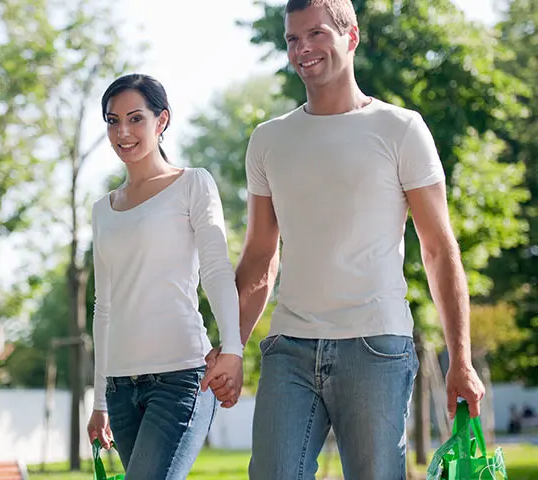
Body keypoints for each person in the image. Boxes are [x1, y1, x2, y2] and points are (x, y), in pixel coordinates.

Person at [204, 0, 485, 478]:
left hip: (376, 347)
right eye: (293, 39)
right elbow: (259, 257)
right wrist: (230, 344)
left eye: (316, 34)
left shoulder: (401, 128)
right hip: (289, 347)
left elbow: (438, 249)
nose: (303, 49)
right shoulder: (269, 140)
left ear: (351, 36)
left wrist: (461, 358)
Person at [86, 73, 244, 480]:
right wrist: (100, 400)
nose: (123, 131)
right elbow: (104, 307)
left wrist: (233, 349)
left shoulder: (192, 184)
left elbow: (215, 269)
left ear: (162, 121)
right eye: (112, 120)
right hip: (121, 390)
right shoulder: (102, 210)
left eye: (135, 118)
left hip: (180, 378)